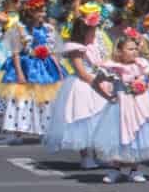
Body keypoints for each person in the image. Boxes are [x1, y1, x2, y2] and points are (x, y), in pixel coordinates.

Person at [88, 31, 149, 184]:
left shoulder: (141, 64)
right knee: (119, 135)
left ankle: (135, 169)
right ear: (120, 51)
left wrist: (147, 87)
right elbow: (96, 82)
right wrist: (108, 96)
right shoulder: (113, 67)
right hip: (121, 104)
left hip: (140, 104)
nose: (134, 52)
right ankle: (115, 168)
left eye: (135, 48)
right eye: (130, 49)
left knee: (138, 135)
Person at [0, 0, 63, 145]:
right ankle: (16, 132)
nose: (42, 14)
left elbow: (55, 50)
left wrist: (57, 68)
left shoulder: (49, 28)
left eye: (44, 11)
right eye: (39, 11)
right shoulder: (19, 28)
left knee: (45, 100)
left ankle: (45, 131)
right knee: (20, 99)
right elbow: (16, 53)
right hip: (26, 66)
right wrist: (19, 73)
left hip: (44, 68)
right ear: (30, 12)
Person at [41, 16, 110, 170]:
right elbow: (81, 72)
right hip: (84, 85)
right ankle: (86, 156)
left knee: (99, 120)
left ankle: (98, 154)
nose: (95, 35)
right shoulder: (75, 48)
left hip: (97, 81)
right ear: (83, 32)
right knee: (83, 120)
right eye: (92, 32)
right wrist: (98, 83)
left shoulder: (94, 46)